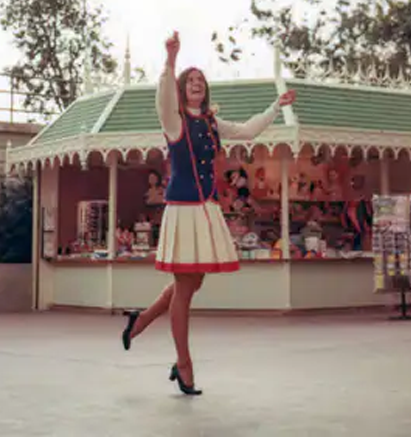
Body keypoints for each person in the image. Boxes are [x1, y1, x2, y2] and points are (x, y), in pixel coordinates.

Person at [119, 31, 296, 396]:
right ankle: (184, 365)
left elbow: (247, 131)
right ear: (183, 88)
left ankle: (142, 320)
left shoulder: (213, 124)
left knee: (193, 283)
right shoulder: (174, 122)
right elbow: (163, 99)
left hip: (206, 210)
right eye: (191, 80)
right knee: (185, 288)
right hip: (184, 211)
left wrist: (276, 107)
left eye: (201, 80)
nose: (197, 83)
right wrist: (170, 62)